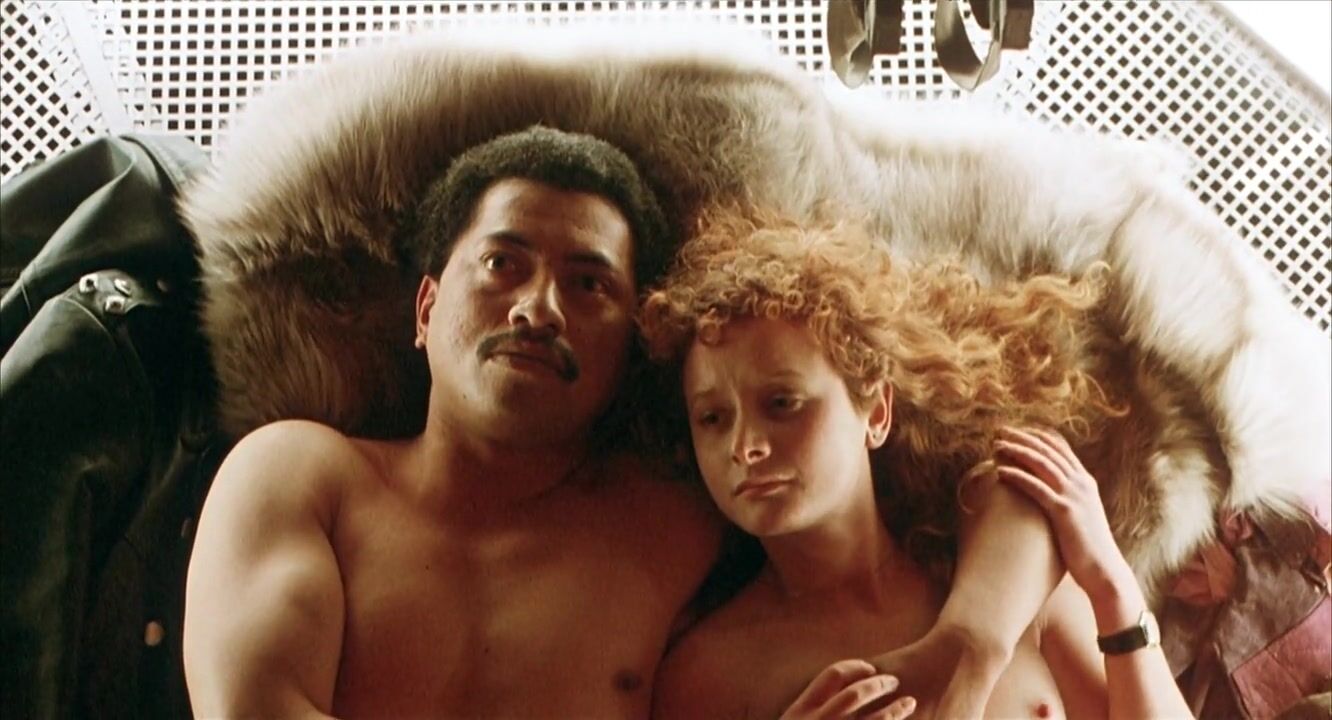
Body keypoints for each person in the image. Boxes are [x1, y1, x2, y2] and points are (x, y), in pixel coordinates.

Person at [184, 126, 1058, 718]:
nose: (538, 308)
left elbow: (1007, 475)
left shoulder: (673, 513)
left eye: (588, 283)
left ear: (631, 339)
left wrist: (968, 647)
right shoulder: (302, 472)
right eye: (503, 263)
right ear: (424, 308)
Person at [641, 208, 1194, 719]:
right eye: (712, 418)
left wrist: (1111, 585)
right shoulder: (708, 675)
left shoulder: (1014, 582)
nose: (744, 446)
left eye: (782, 403)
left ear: (877, 412)